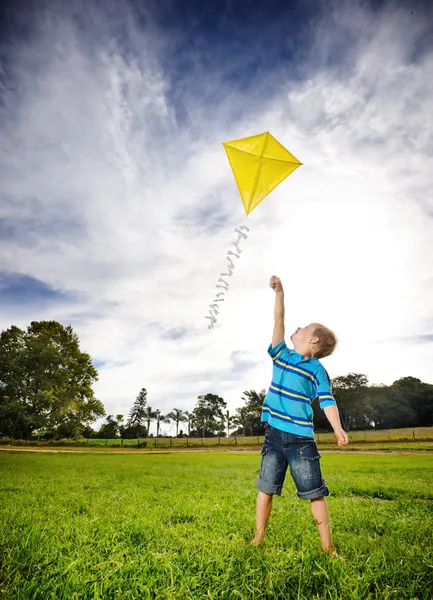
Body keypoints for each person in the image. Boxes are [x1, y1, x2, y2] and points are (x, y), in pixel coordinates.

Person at [253, 275, 348, 554]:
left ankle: (327, 547)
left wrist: (337, 428)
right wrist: (279, 293)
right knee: (265, 487)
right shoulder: (280, 353)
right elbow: (278, 322)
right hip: (273, 436)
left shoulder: (317, 370)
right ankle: (258, 539)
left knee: (314, 492)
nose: (298, 327)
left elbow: (327, 400)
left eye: (305, 328)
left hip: (301, 440)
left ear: (314, 339)